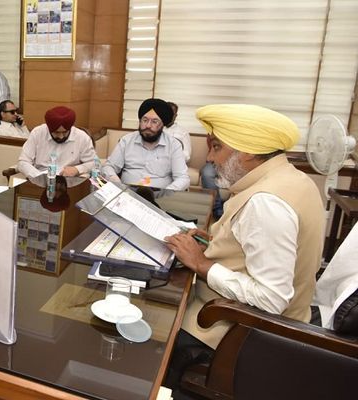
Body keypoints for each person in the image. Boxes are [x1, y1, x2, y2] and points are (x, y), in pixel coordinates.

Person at [163, 104, 325, 390]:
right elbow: (257, 245)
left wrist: (201, 263)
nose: (210, 158)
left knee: (155, 334)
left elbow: (272, 299)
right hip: (272, 320)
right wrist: (213, 241)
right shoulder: (293, 178)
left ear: (248, 151)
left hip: (242, 332)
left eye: (216, 147)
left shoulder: (266, 204)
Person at [101, 98, 189, 190]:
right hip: (127, 193)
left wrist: (166, 193)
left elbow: (183, 178)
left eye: (154, 121)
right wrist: (118, 185)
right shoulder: (126, 141)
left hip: (160, 195)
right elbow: (109, 167)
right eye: (145, 120)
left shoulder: (173, 145)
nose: (148, 125)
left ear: (163, 124)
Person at [17, 106, 96, 179]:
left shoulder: (82, 137)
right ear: (49, 128)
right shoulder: (37, 133)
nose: (61, 136)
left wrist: (77, 169)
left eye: (65, 132)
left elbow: (93, 163)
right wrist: (38, 177)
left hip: (70, 180)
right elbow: (23, 162)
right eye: (56, 132)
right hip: (40, 178)